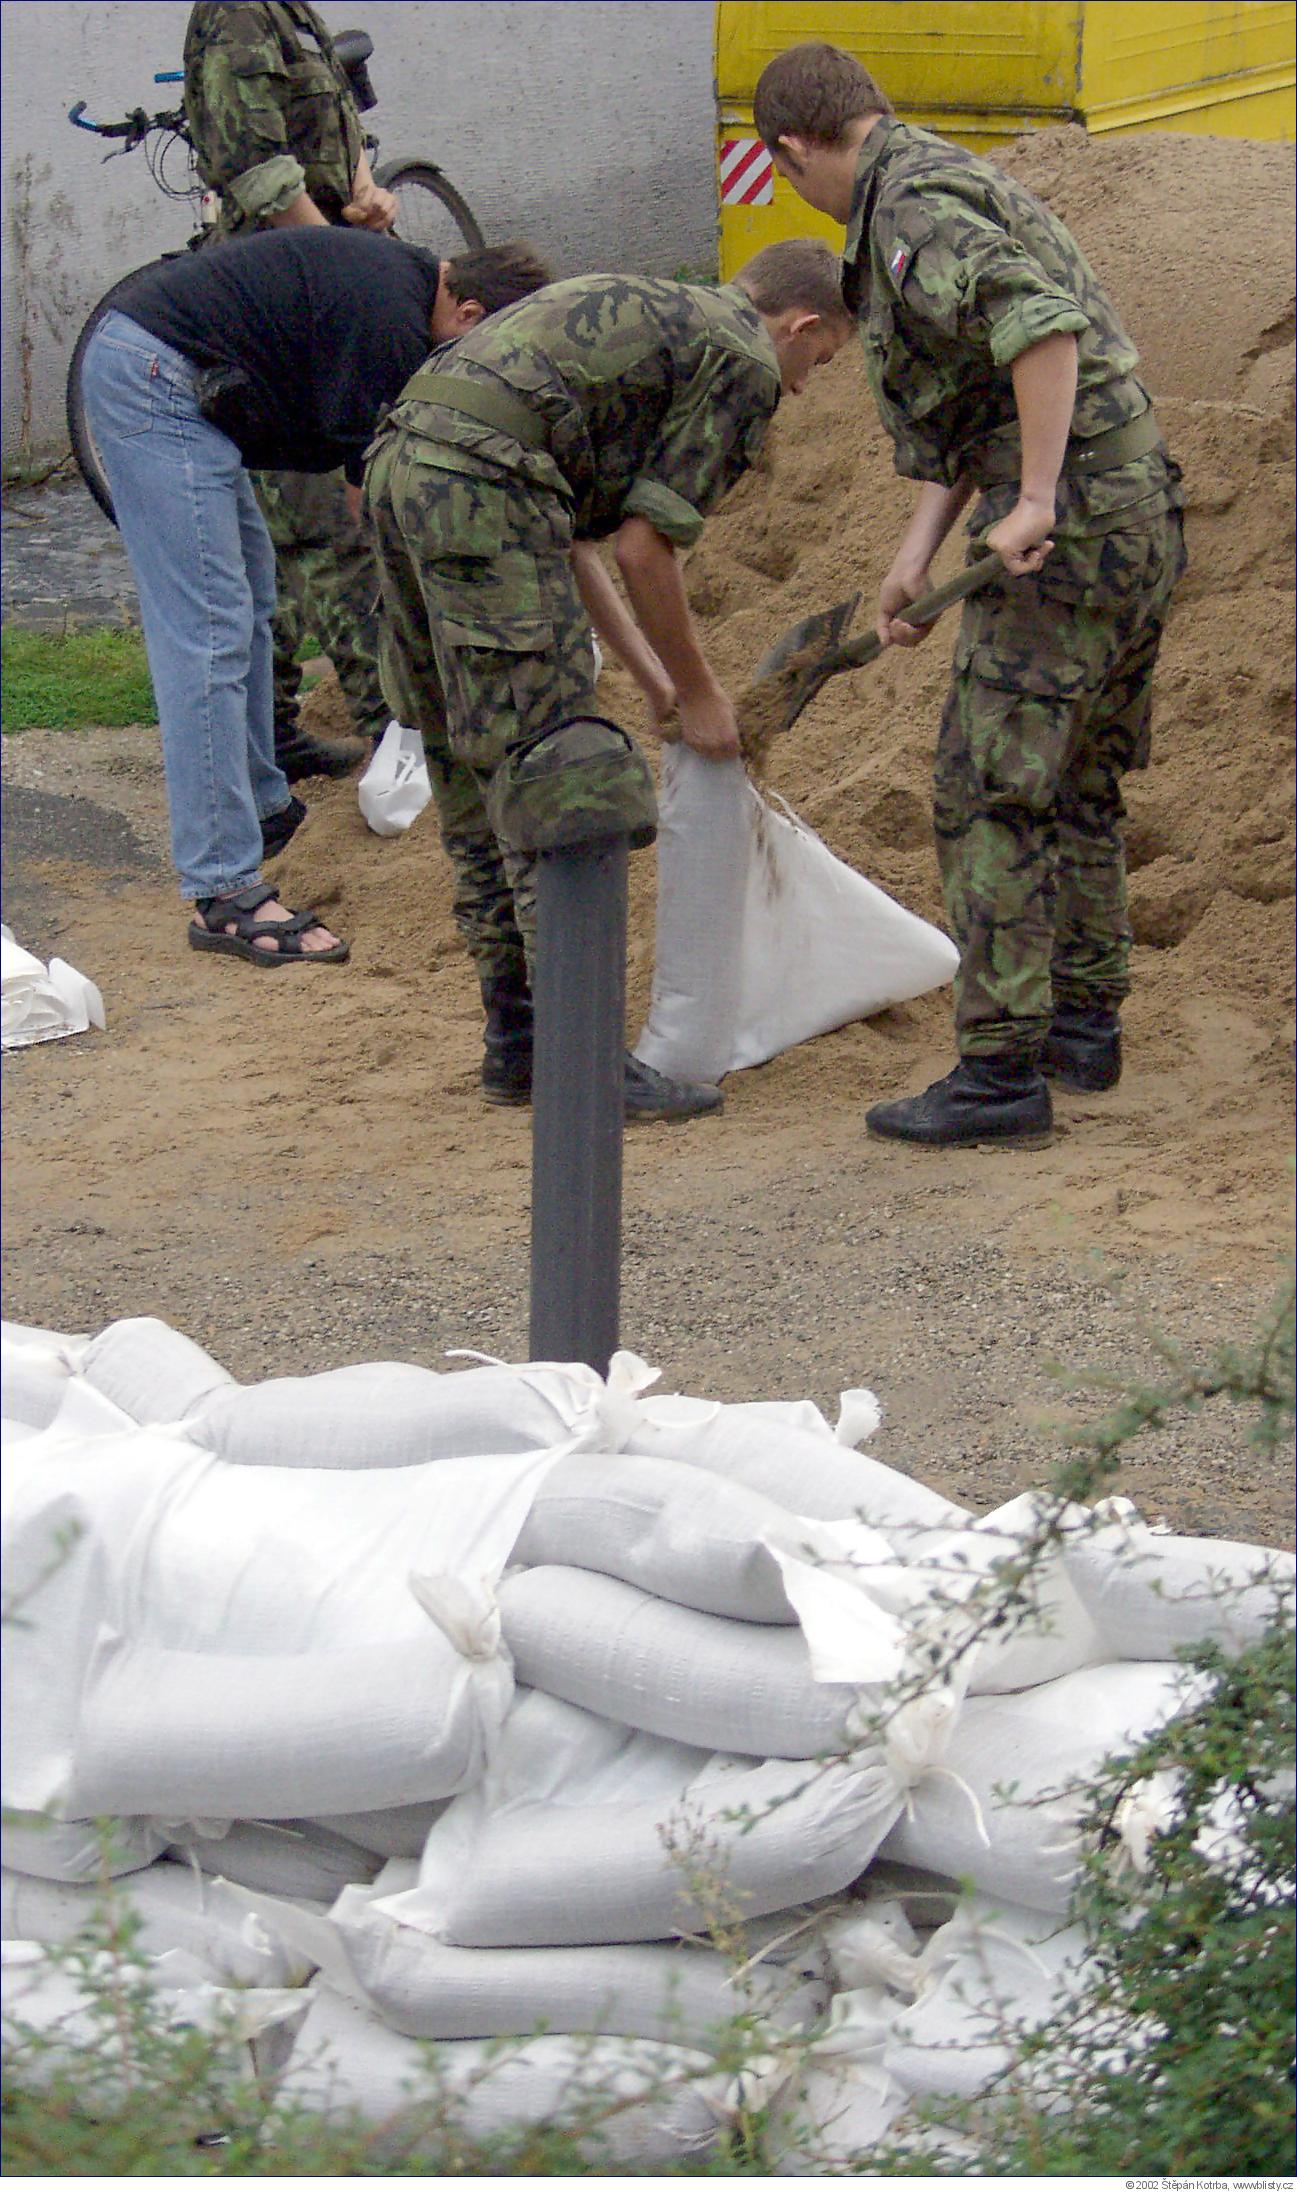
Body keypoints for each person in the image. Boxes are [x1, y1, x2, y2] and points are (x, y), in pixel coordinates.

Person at [752, 42, 1187, 1150]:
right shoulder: (936, 172)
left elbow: (1036, 323)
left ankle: (999, 1073)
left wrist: (1036, 494)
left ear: (796, 149)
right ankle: (1084, 1024)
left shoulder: (907, 209)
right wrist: (917, 550)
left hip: (1072, 523)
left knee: (986, 788)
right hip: (1133, 506)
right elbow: (978, 385)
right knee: (1080, 775)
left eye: (787, 179)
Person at [365, 240, 853, 1122]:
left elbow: (575, 532)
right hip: (481, 488)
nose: (804, 387)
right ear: (800, 324)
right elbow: (643, 548)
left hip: (404, 465)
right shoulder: (739, 357)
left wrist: (655, 679)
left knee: (463, 758)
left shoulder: (655, 308)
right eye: (817, 362)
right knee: (551, 769)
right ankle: (582, 1057)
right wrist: (702, 694)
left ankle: (519, 1042)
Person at [78, 228, 552, 966]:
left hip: (180, 375)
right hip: (154, 378)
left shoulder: (401, 283)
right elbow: (378, 508)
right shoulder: (390, 325)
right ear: (467, 311)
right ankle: (222, 891)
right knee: (207, 631)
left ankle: (262, 805)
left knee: (252, 595)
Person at [184, 0, 401, 780]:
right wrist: (338, 260)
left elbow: (341, 124)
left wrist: (366, 189)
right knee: (326, 526)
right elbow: (256, 165)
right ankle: (399, 736)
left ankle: (266, 735)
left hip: (314, 283)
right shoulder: (237, 14)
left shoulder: (290, 13)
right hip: (276, 305)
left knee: (272, 534)